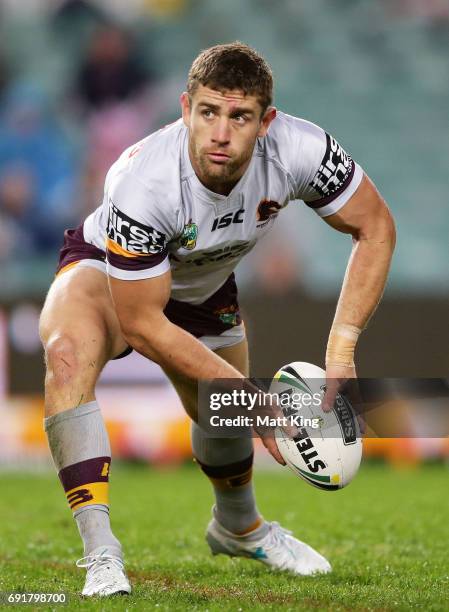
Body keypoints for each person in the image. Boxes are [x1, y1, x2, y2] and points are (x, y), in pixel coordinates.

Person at [39, 42, 396, 597]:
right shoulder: (142, 183)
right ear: (186, 109)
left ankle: (239, 528)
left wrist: (342, 348)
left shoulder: (302, 149)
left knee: (221, 419)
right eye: (208, 112)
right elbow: (142, 323)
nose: (221, 132)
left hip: (204, 284)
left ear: (266, 122)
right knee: (66, 354)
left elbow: (375, 226)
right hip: (111, 276)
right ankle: (101, 552)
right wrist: (258, 402)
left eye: (240, 116)